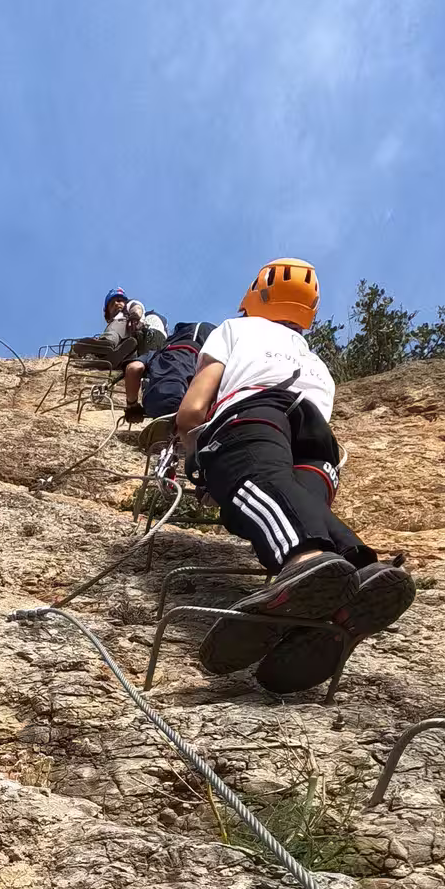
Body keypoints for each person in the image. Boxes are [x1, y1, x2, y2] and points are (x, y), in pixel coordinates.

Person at [174, 257, 414, 695]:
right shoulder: (316, 362)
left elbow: (192, 408)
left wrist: (194, 455)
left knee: (255, 483)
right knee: (301, 503)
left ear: (255, 296)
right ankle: (363, 572)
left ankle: (304, 564)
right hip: (319, 446)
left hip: (255, 414)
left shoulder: (233, 329)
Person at [125, 320, 214, 423]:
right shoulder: (205, 360)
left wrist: (132, 405)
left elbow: (133, 368)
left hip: (152, 404)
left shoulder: (157, 353)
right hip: (185, 408)